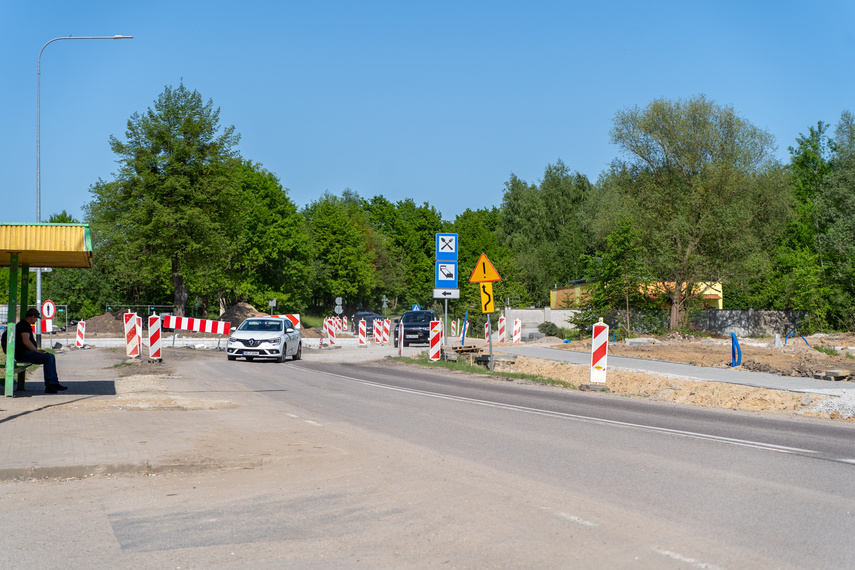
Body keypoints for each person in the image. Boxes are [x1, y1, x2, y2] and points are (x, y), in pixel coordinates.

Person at [15, 308, 66, 394]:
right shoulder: (24, 325)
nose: (36, 320)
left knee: (51, 356)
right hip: (23, 353)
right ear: (32, 316)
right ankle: (50, 385)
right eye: (36, 318)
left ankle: (54, 383)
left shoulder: (23, 324)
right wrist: (36, 351)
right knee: (48, 358)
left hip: (24, 352)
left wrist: (36, 350)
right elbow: (26, 341)